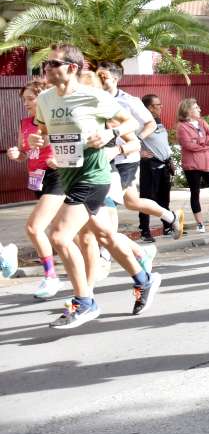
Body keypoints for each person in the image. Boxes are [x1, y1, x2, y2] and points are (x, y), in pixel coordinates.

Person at [30, 44, 160, 328]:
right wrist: (37, 140)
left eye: (53, 63)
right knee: (105, 236)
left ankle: (85, 302)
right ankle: (144, 279)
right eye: (45, 63)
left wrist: (109, 133)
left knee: (60, 236)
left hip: (94, 176)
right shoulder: (45, 99)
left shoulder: (93, 97)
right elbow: (42, 131)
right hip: (68, 176)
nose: (46, 68)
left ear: (72, 68)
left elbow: (130, 124)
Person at [95, 63, 182, 237]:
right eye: (97, 75)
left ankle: (107, 247)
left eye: (103, 76)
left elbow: (150, 123)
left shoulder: (129, 101)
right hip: (103, 156)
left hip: (125, 158)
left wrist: (137, 140)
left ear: (115, 78)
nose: (100, 79)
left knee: (107, 196)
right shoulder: (93, 99)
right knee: (132, 202)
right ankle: (171, 216)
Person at [5, 79, 62, 298]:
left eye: (30, 98)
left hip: (58, 176)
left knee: (34, 227)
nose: (26, 103)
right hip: (37, 179)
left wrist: (58, 158)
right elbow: (22, 153)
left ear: (43, 98)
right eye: (24, 100)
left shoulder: (55, 119)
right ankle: (135, 254)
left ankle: (51, 277)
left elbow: (70, 142)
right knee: (66, 233)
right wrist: (15, 154)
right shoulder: (25, 123)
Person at [176, 98, 209, 232]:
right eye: (196, 107)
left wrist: (200, 141)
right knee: (195, 193)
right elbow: (188, 145)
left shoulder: (202, 122)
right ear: (188, 110)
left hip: (207, 163)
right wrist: (205, 145)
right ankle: (200, 223)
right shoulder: (182, 127)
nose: (199, 109)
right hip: (192, 165)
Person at [136, 94, 177, 243]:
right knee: (147, 198)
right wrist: (139, 152)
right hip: (150, 165)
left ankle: (167, 226)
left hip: (164, 164)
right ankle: (145, 231)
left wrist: (170, 159)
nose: (161, 107)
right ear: (150, 108)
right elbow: (129, 139)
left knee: (164, 198)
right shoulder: (142, 123)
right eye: (158, 105)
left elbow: (162, 143)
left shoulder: (158, 122)